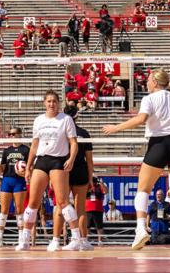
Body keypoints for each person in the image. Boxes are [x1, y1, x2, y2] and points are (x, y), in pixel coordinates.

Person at [103, 68, 170, 251]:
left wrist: (115, 128)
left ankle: (140, 229)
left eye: (148, 80)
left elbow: (141, 119)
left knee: (143, 188)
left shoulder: (149, 99)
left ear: (155, 82)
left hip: (158, 144)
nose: (147, 83)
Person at [16, 90, 80, 251]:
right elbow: (34, 145)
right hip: (41, 160)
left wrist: (71, 159)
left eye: (54, 101)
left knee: (62, 201)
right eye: (49, 101)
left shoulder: (66, 120)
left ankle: (76, 237)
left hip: (58, 161)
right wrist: (29, 166)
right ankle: (24, 239)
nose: (52, 104)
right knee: (32, 202)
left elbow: (73, 143)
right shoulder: (38, 120)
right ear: (44, 103)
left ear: (59, 103)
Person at [53, 103, 94, 251]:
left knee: (60, 206)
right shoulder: (84, 133)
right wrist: (90, 178)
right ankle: (83, 241)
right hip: (80, 170)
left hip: (63, 170)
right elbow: (89, 160)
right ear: (77, 115)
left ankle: (56, 241)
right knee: (80, 208)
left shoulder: (61, 131)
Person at [0, 126, 30, 247]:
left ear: (20, 134)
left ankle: (21, 238)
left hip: (19, 180)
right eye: (10, 134)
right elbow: (2, 169)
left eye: (14, 134)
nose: (12, 136)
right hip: (7, 179)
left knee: (19, 209)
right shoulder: (7, 151)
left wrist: (26, 172)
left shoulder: (26, 150)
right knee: (4, 209)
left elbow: (30, 167)